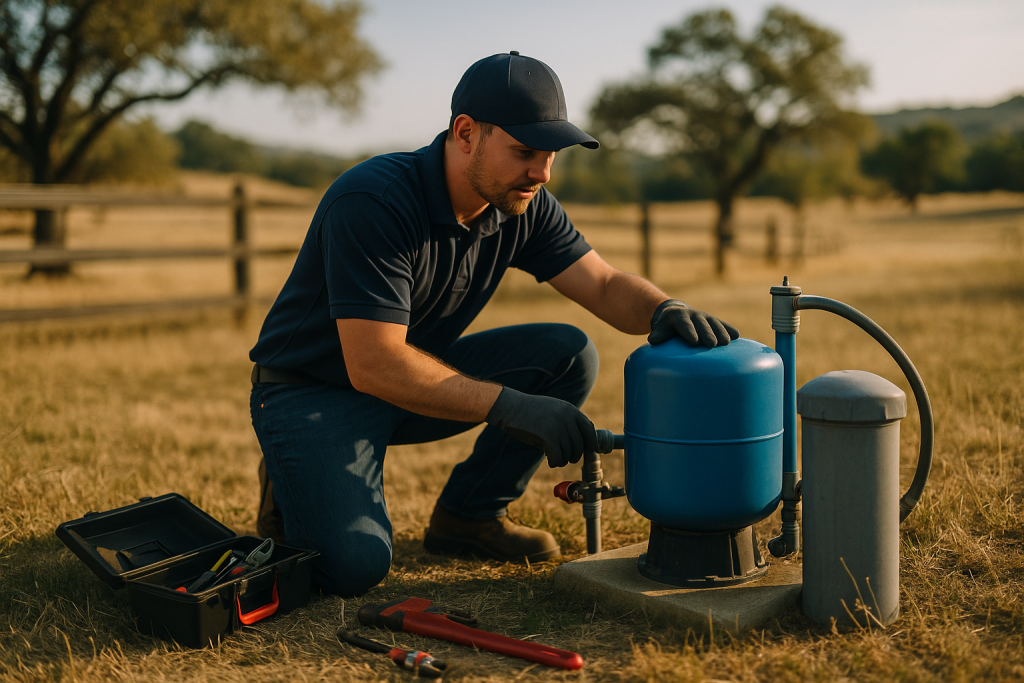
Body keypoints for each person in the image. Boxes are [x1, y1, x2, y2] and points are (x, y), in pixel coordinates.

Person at [248, 52, 739, 597]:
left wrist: (663, 309)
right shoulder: (373, 200)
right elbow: (375, 362)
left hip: (408, 382)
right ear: (465, 134)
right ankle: (288, 479)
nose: (542, 172)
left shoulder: (519, 202)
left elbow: (601, 284)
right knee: (353, 569)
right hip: (311, 395)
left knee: (567, 353)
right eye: (524, 152)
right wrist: (510, 406)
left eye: (551, 155)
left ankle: (469, 518)